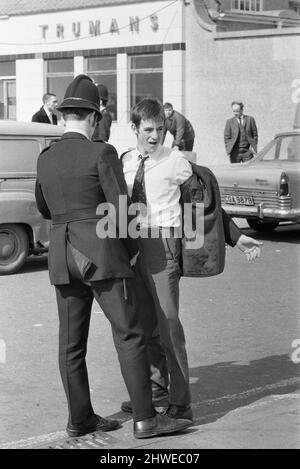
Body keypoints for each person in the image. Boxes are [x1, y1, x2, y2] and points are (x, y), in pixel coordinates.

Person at [35, 75, 192, 440]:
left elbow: (44, 208)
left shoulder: (45, 156)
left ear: (63, 116)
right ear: (93, 116)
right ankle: (146, 419)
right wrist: (134, 255)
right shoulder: (101, 152)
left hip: (61, 256)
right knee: (131, 334)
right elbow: (122, 212)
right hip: (101, 256)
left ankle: (80, 419)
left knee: (71, 345)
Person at [121, 97, 263, 421]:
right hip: (134, 248)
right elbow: (118, 209)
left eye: (159, 129)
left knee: (168, 325)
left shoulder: (176, 162)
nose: (154, 136)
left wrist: (237, 236)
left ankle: (181, 403)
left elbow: (205, 208)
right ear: (134, 129)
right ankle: (157, 388)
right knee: (144, 325)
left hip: (164, 248)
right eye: (147, 130)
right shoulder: (126, 161)